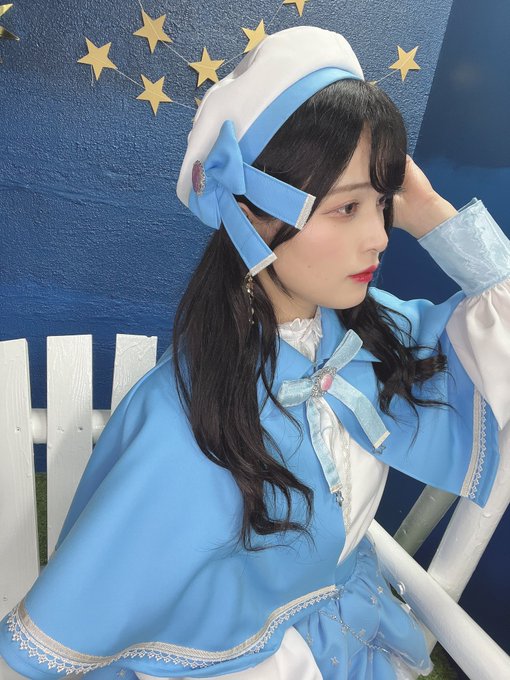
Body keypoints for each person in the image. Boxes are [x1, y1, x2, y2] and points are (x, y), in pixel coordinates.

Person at [1, 24, 509, 680]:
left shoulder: (370, 337)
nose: (381, 237)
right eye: (346, 209)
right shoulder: (183, 419)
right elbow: (101, 606)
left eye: (384, 205)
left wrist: (435, 213)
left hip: (355, 639)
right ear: (249, 215)